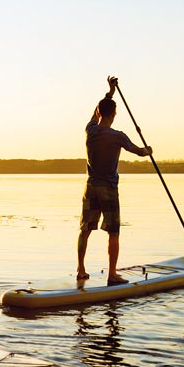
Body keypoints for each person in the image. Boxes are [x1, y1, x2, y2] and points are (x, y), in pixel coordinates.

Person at [76, 75, 151, 286]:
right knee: (114, 232)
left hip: (90, 187)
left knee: (86, 230)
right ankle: (112, 274)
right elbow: (138, 151)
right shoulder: (117, 135)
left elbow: (95, 112)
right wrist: (148, 150)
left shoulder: (90, 130)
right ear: (115, 114)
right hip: (108, 188)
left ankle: (81, 270)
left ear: (99, 112)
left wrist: (109, 93)